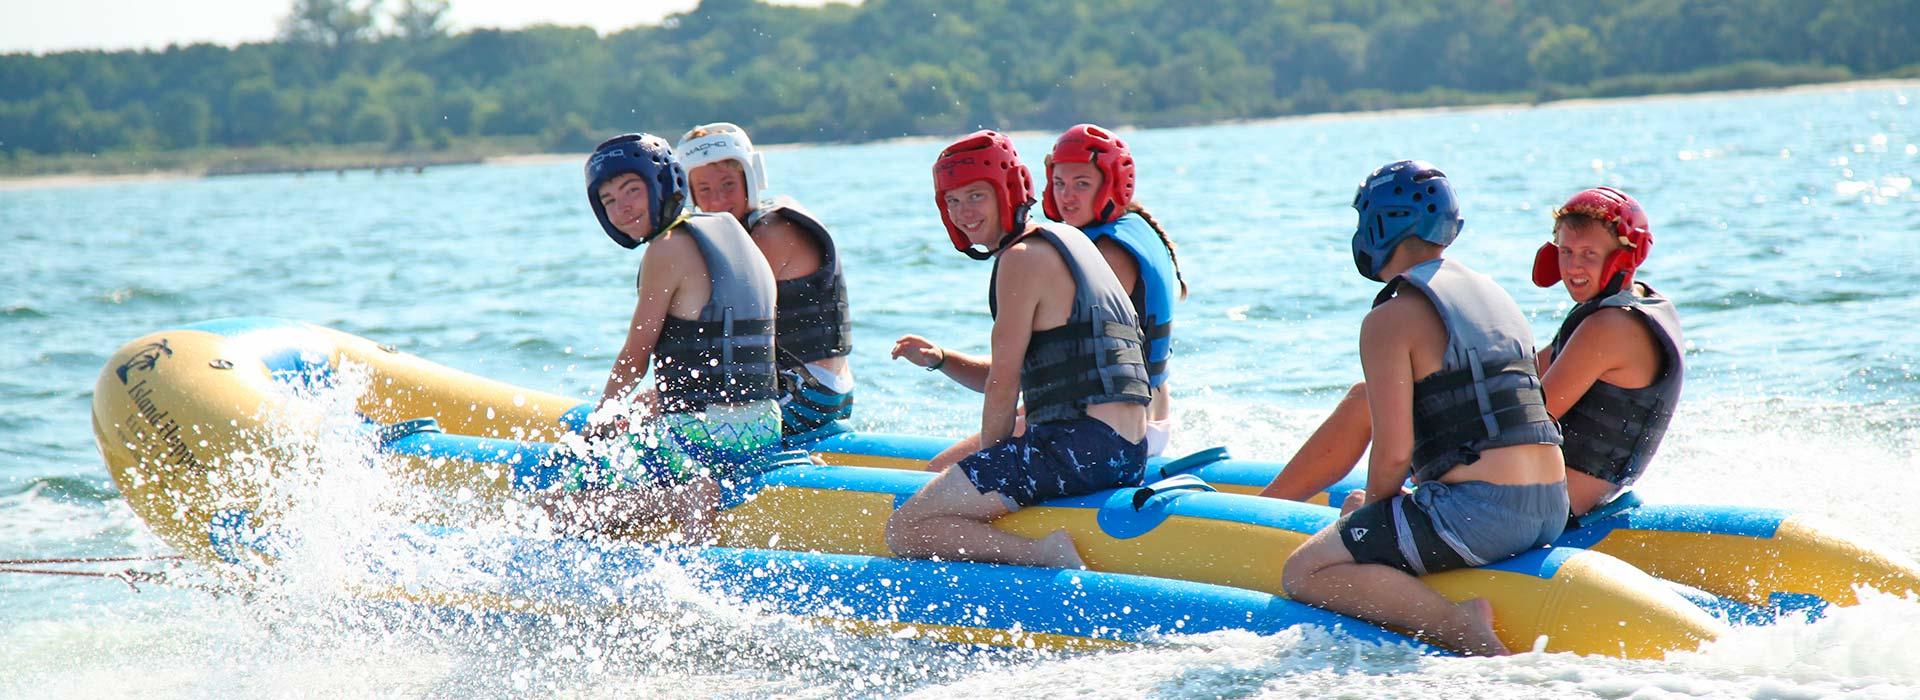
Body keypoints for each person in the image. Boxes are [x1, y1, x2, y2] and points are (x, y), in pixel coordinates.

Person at [1278, 160, 1568, 656]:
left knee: (1304, 571)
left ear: (1380, 224)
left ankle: (1462, 626)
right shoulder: (1491, 292)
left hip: (1482, 515)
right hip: (1551, 506)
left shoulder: (1392, 317)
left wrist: (1369, 520)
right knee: (1370, 518)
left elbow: (1393, 452)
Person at [885, 131, 1152, 569]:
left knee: (906, 528)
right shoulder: (1070, 240)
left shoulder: (1020, 259)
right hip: (1125, 451)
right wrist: (941, 359)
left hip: (1078, 450)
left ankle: (1044, 555)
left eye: (976, 196)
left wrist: (988, 465)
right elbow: (1039, 370)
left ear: (1009, 191)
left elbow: (1004, 385)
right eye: (953, 201)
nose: (964, 212)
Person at [536, 133, 783, 539]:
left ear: (663, 185)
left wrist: (602, 418)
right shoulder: (732, 231)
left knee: (555, 506)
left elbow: (636, 356)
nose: (622, 208)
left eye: (632, 190)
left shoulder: (666, 248)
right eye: (609, 200)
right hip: (763, 426)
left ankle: (679, 499)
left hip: (705, 434)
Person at [917, 124, 1187, 470]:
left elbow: (1022, 374)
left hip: (1112, 430)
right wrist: (942, 359)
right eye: (1059, 183)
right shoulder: (1132, 231)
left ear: (1114, 184)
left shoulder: (1104, 252)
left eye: (1082, 184)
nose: (1067, 197)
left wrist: (991, 465)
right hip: (1142, 419)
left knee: (935, 473)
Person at [675, 123, 856, 444]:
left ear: (751, 179)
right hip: (816, 393)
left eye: (728, 184)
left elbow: (724, 324)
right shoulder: (745, 232)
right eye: (704, 189)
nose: (717, 199)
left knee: (677, 432)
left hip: (808, 397)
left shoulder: (772, 232)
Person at [1529, 187, 1682, 517]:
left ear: (1625, 256)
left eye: (1589, 254)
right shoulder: (1638, 304)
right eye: (1566, 251)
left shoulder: (1609, 326)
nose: (1572, 267)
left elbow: (1529, 421)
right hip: (1588, 499)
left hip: (1551, 509)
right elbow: (1525, 371)